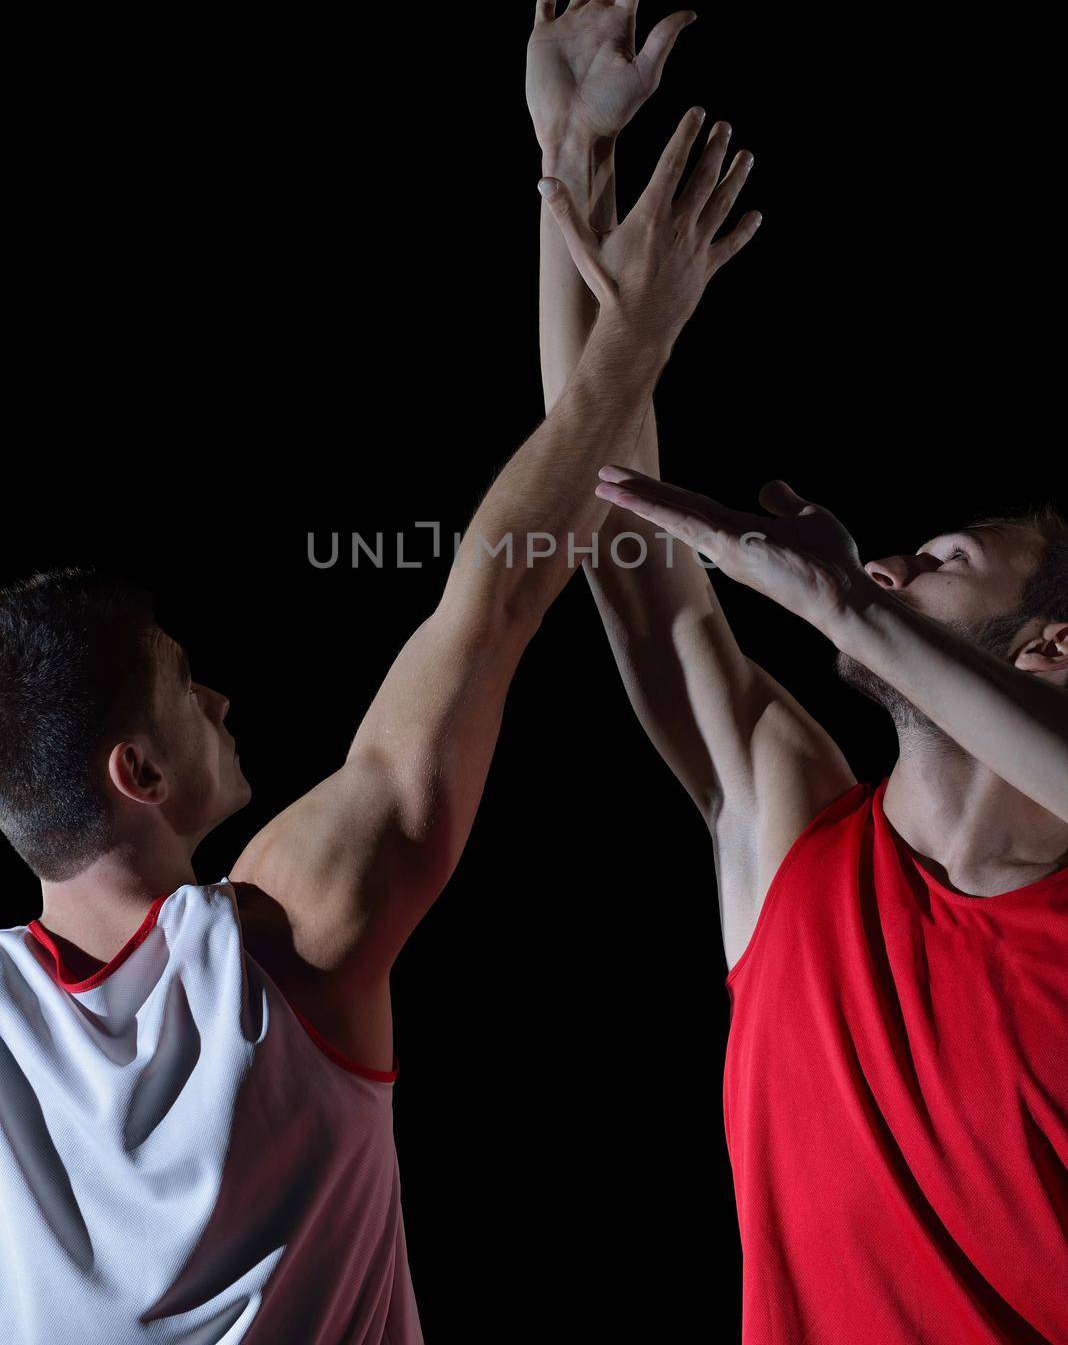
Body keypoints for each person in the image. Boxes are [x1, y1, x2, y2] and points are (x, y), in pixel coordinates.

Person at [0, 82, 758, 1343]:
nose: (220, 695)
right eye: (186, 682)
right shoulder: (283, 944)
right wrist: (634, 316)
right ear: (134, 768)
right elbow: (496, 599)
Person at [529, 0, 1068, 1343]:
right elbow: (624, 551)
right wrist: (571, 167)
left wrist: (842, 598)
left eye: (945, 558)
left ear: (1052, 650)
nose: (891, 556)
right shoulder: (792, 834)